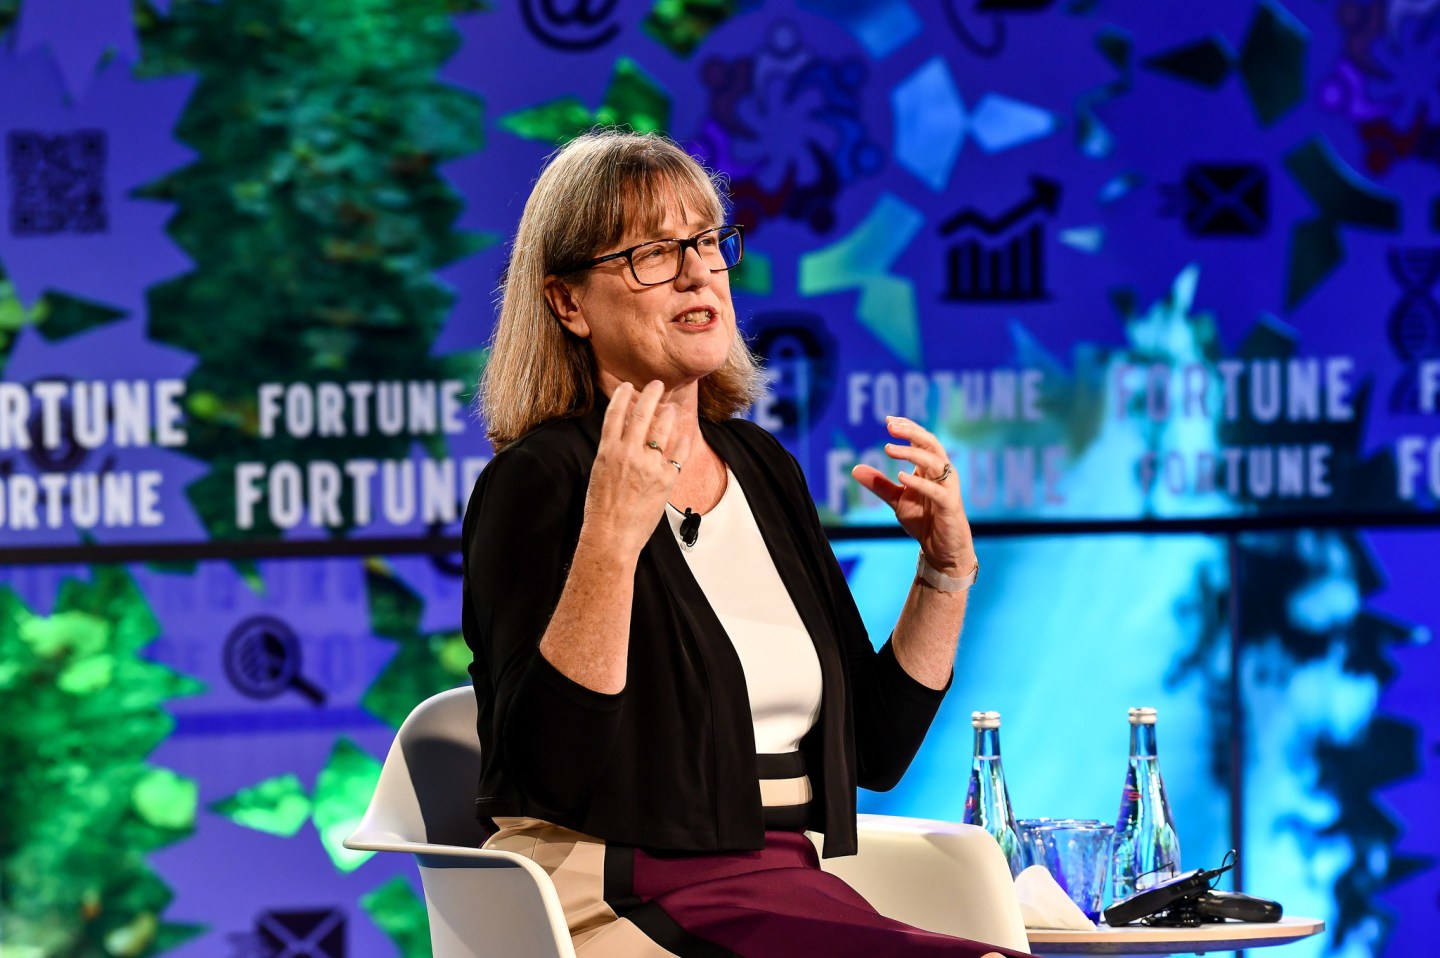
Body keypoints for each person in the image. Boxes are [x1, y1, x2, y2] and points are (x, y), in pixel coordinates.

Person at [462, 129, 1028, 957]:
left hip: (785, 886)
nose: (695, 271)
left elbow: (874, 750)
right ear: (568, 302)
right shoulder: (540, 482)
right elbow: (551, 770)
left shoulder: (761, 466)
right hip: (614, 890)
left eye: (705, 241)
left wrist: (944, 573)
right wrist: (612, 540)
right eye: (649, 253)